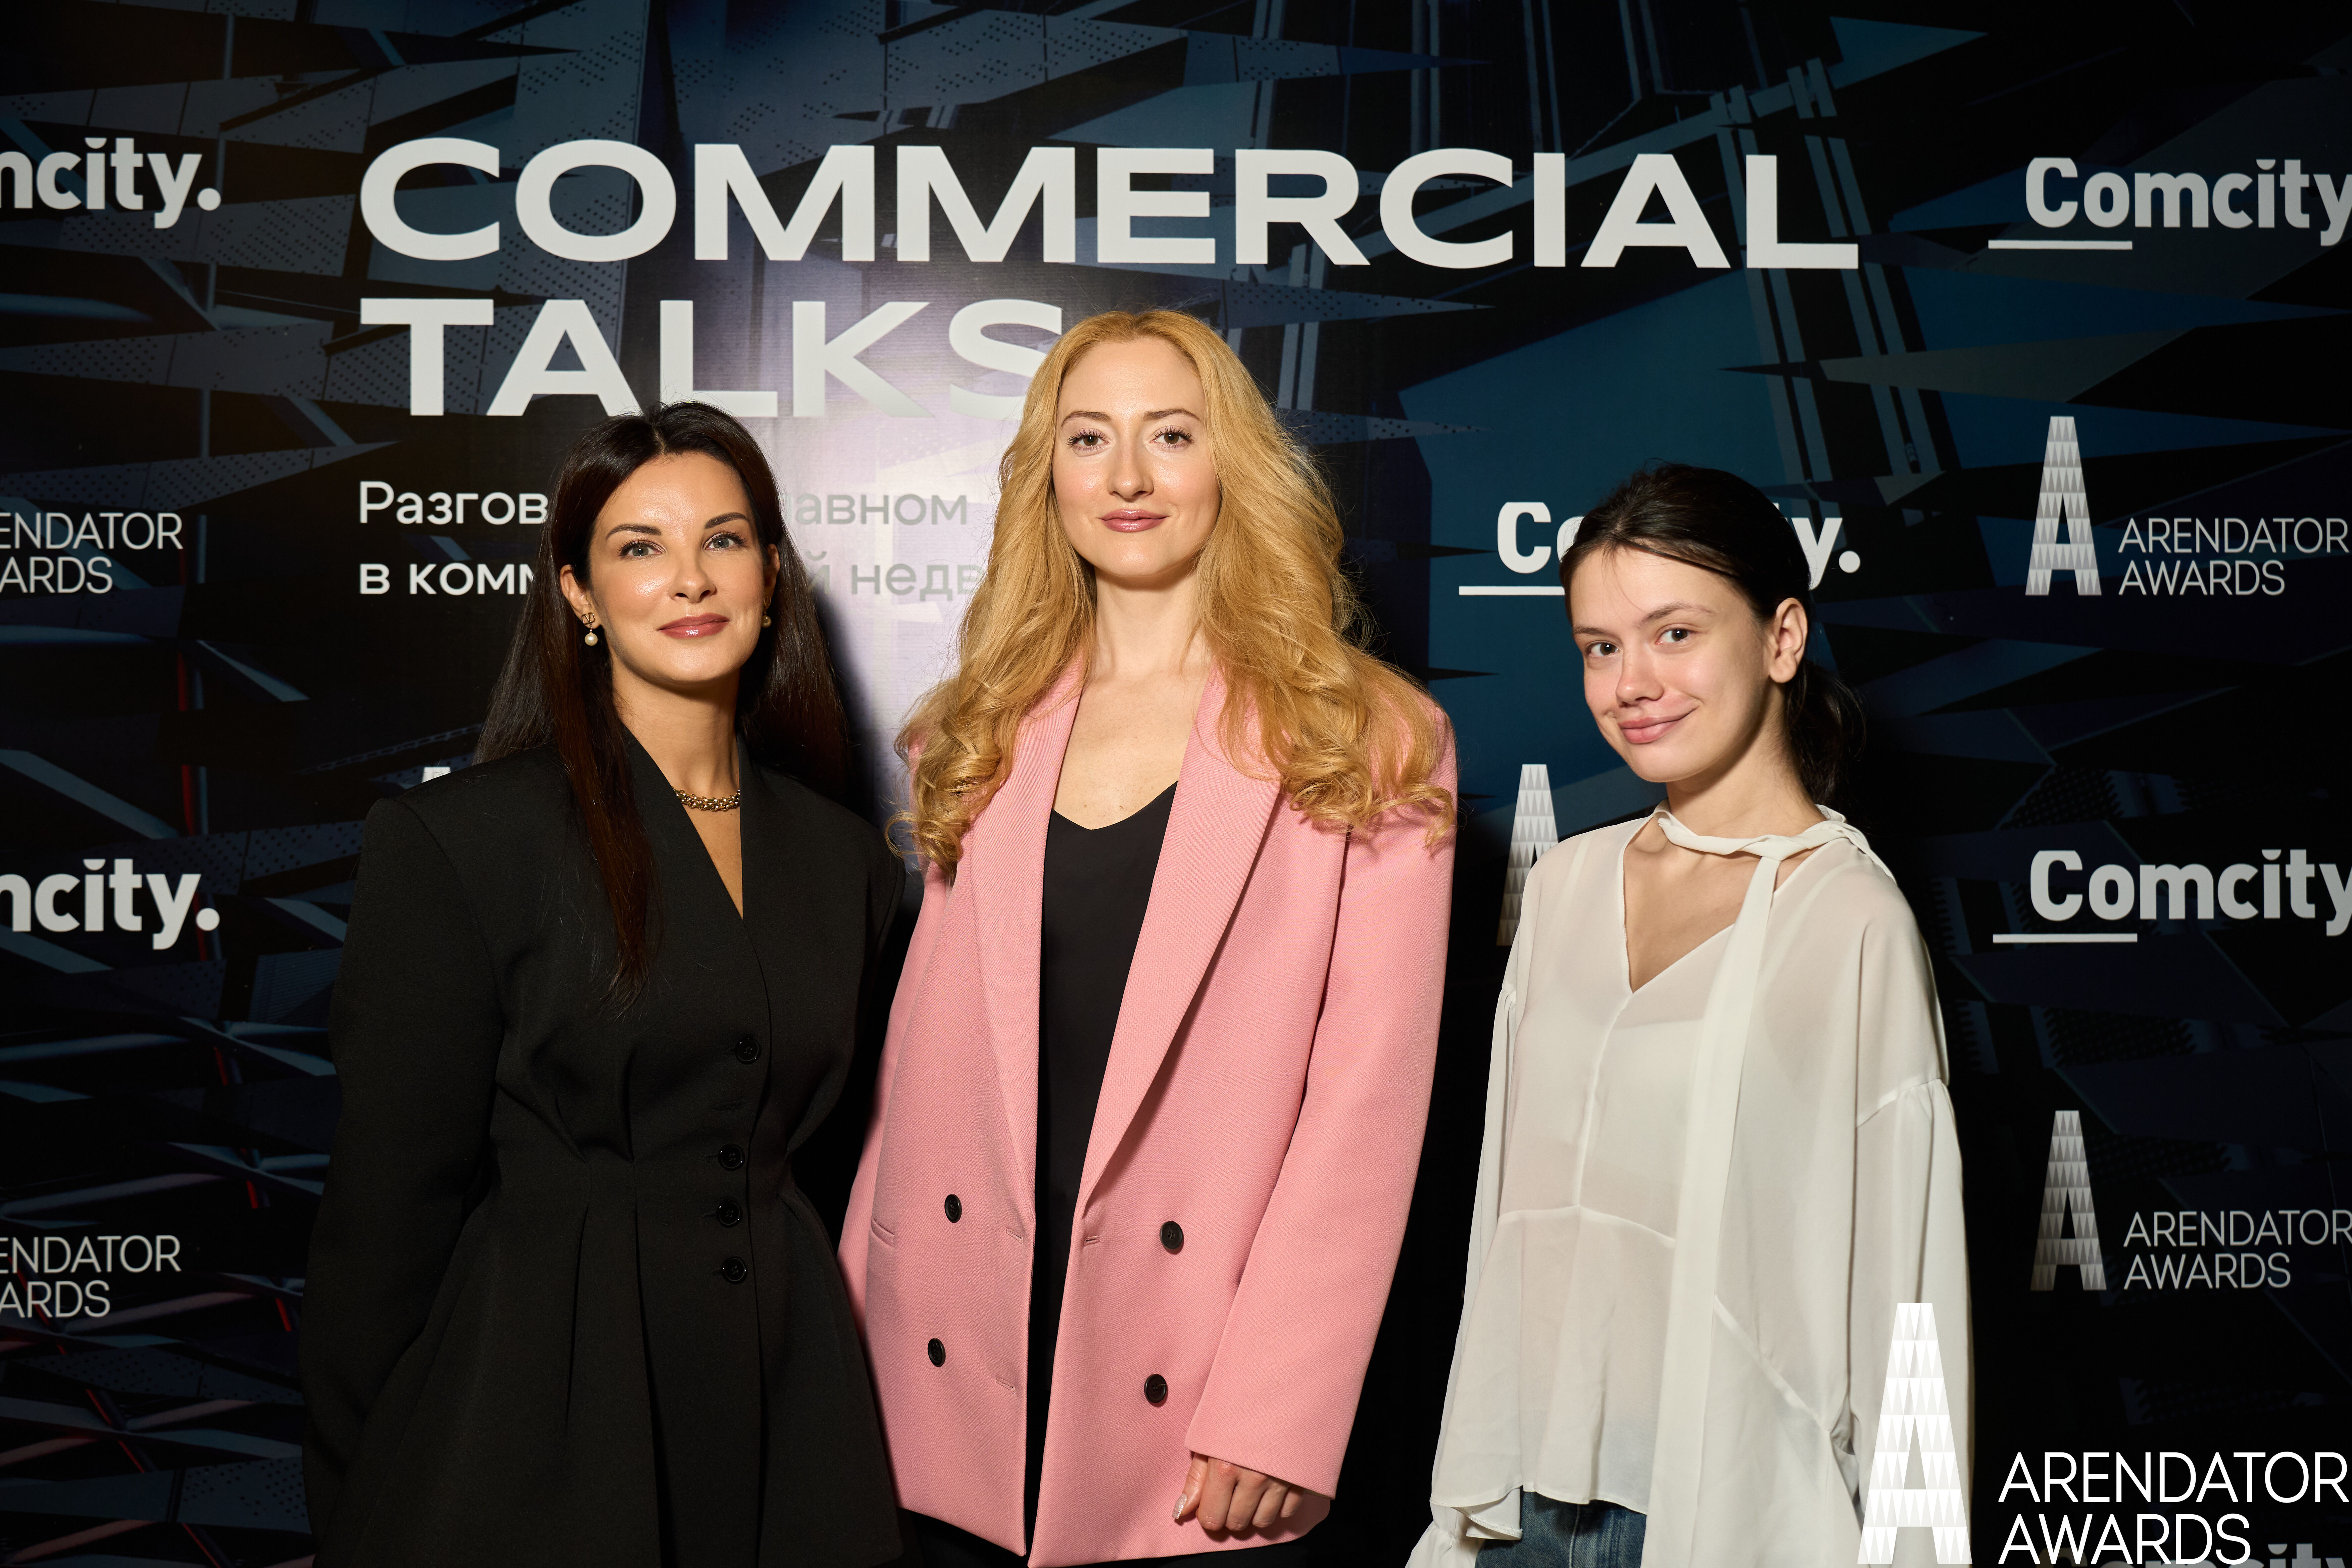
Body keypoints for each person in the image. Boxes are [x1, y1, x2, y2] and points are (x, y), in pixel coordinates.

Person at [840, 309, 1456, 1567]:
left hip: (1196, 1372)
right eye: (1088, 439)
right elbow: (913, 1075)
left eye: (1170, 435)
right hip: (950, 1348)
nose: (1127, 476)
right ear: (1047, 477)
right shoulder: (974, 729)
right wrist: (846, 1341)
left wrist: (1282, 1407)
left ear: (1231, 463)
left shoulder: (1365, 737)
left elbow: (1366, 1111)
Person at [302, 403, 903, 1568]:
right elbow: (384, 1223)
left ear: (772, 575)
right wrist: (364, 1499)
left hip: (791, 1420)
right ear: (580, 593)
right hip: (539, 1419)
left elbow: (836, 1172)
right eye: (640, 548)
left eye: (725, 541)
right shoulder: (465, 841)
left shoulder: (847, 863)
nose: (691, 579)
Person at [1412, 465, 1969, 1568]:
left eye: (1675, 633)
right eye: (1600, 647)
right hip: (1519, 1510)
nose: (1632, 684)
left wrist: (1914, 1551)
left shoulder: (1851, 918)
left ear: (1782, 638)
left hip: (1730, 1520)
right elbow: (1504, 1228)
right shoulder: (1564, 887)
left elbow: (1910, 1304)